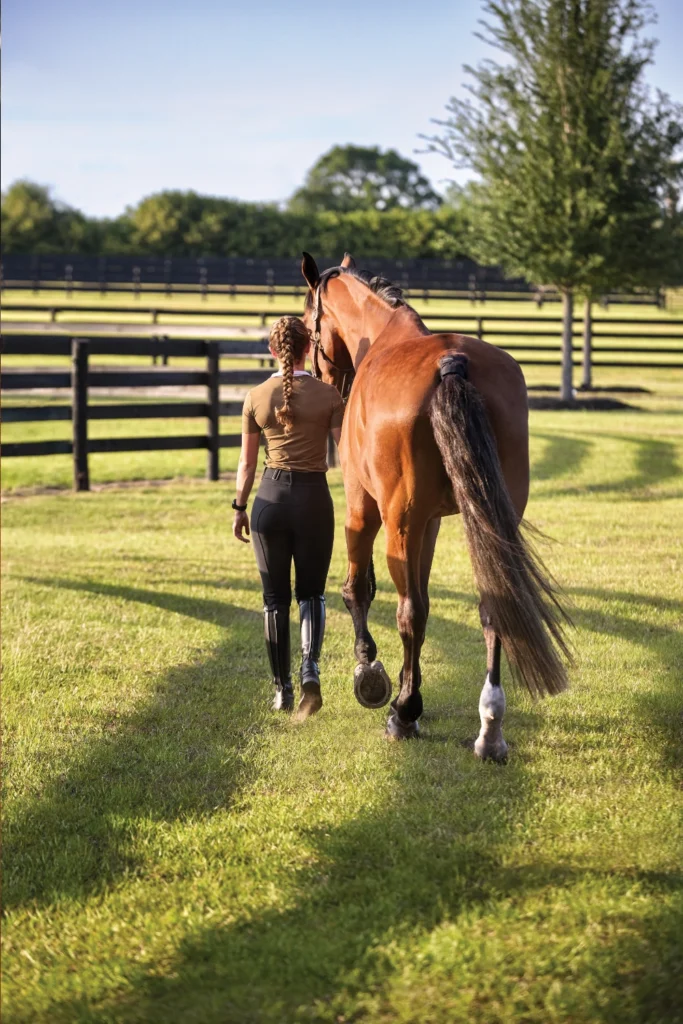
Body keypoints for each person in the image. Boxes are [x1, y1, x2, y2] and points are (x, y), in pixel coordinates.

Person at [232, 316, 344, 719]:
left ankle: (282, 690)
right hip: (314, 501)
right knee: (311, 594)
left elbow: (247, 465)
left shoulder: (255, 397)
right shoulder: (330, 396)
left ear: (272, 350)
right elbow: (348, 456)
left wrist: (239, 508)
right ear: (307, 348)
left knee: (274, 600)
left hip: (270, 500)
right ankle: (309, 669)